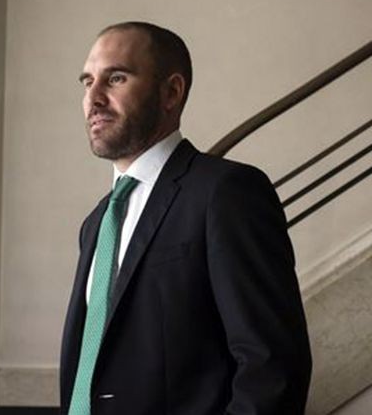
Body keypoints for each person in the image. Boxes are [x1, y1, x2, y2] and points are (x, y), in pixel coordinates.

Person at [60, 21, 312, 415]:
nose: (93, 98)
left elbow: (272, 366)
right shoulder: (96, 224)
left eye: (116, 78)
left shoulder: (226, 193)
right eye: (87, 81)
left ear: (171, 92)